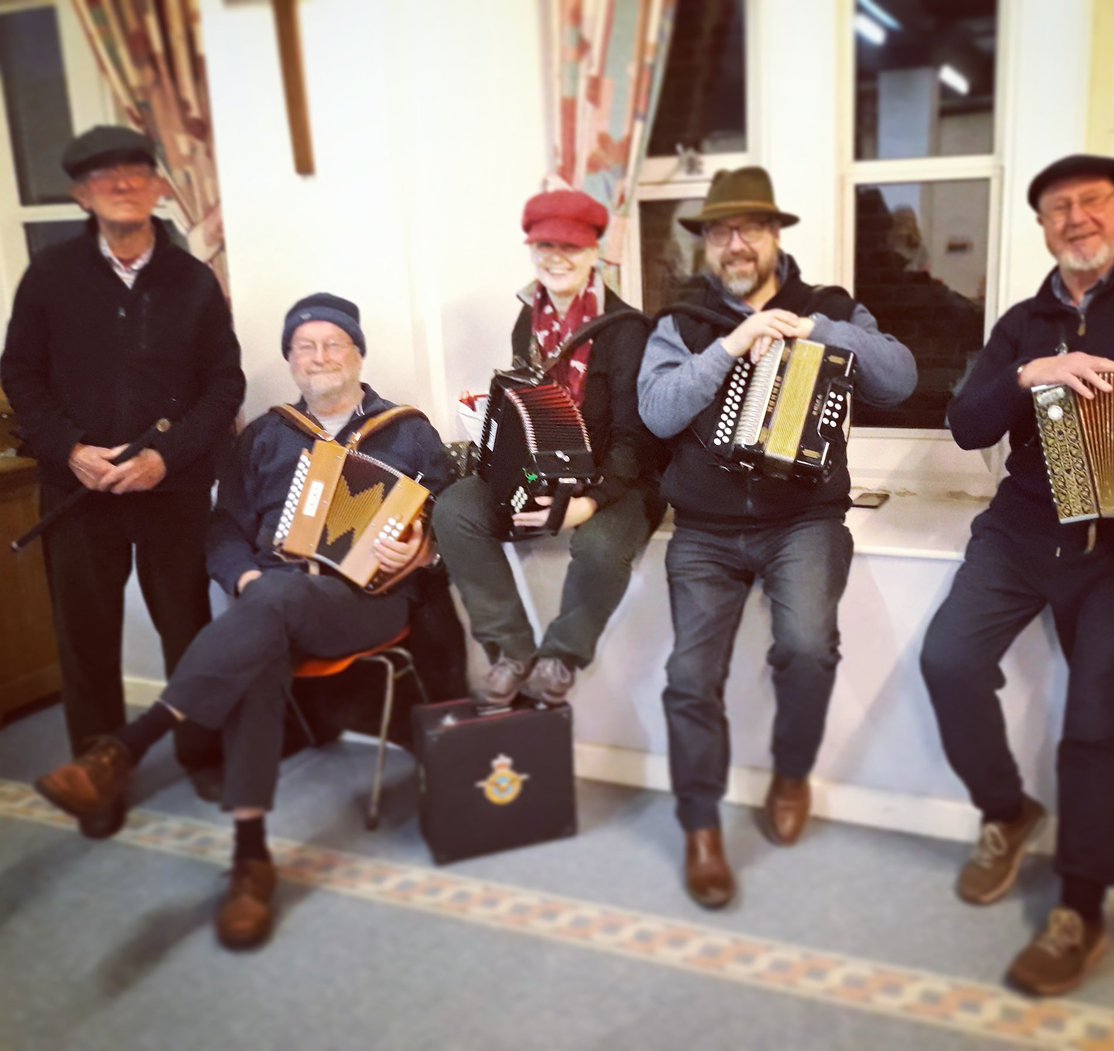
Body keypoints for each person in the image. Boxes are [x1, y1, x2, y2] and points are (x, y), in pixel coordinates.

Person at [32, 293, 451, 949]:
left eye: (333, 343)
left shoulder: (410, 431)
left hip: (367, 604)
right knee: (265, 620)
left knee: (270, 608)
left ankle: (129, 745)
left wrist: (422, 546)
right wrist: (246, 575)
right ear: (289, 360)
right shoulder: (266, 434)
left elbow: (451, 518)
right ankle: (251, 857)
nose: (320, 356)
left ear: (357, 352)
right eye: (305, 346)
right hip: (276, 596)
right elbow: (223, 529)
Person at [919, 154, 1114, 996]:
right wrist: (1026, 373)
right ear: (1040, 226)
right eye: (1056, 208)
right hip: (1024, 527)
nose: (1075, 218)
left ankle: (1079, 904)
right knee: (949, 662)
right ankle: (1007, 811)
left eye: (1090, 202)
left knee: (1097, 725)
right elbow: (967, 424)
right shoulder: (1020, 320)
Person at [637, 166, 917, 908]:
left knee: (805, 644)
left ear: (774, 235)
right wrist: (731, 346)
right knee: (688, 678)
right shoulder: (682, 324)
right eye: (721, 231)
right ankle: (701, 827)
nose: (736, 243)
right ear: (706, 245)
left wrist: (817, 331)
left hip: (803, 519)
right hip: (703, 529)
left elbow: (899, 379)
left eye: (750, 228)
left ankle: (791, 772)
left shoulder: (828, 305)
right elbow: (658, 411)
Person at [1, 125, 244, 833]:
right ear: (82, 194)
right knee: (86, 637)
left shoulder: (193, 279)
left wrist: (168, 459)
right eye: (104, 177)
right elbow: (19, 372)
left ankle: (201, 752)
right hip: (77, 491)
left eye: (136, 173)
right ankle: (98, 776)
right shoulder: (48, 275)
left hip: (169, 490)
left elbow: (223, 384)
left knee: (188, 628)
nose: (121, 185)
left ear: (160, 187)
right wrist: (70, 448)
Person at [433, 189, 665, 707]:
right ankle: (512, 650)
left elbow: (635, 436)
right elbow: (530, 409)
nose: (557, 258)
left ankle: (562, 654)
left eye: (571, 246)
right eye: (545, 246)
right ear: (531, 249)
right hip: (548, 471)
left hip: (620, 477)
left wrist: (590, 500)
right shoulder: (527, 320)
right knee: (455, 510)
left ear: (594, 252)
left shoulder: (629, 330)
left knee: (600, 546)